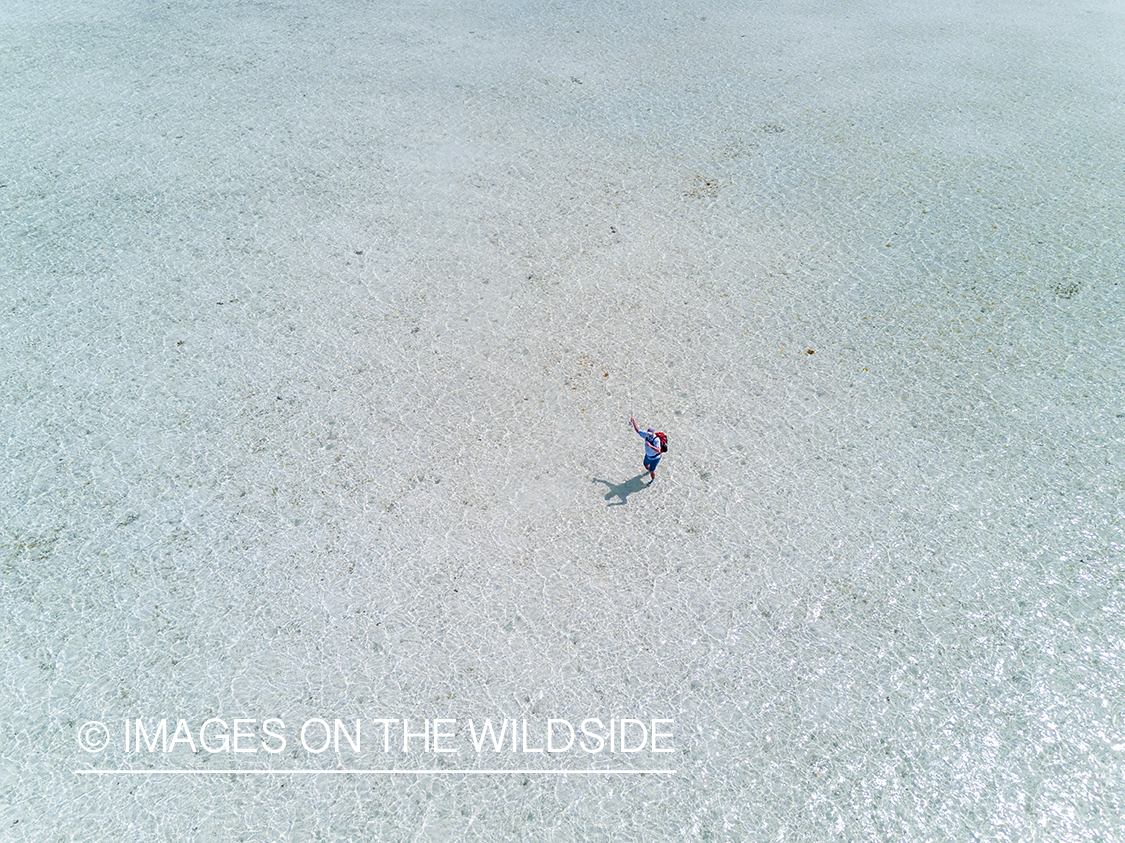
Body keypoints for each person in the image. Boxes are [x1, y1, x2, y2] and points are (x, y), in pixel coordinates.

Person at [631, 417, 663, 484]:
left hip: (655, 458)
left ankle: (652, 480)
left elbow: (658, 450)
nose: (648, 435)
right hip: (648, 456)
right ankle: (650, 470)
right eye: (648, 433)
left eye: (650, 434)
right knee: (645, 465)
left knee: (651, 471)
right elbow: (638, 430)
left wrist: (650, 446)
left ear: (653, 433)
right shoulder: (646, 435)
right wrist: (633, 422)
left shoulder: (656, 440)